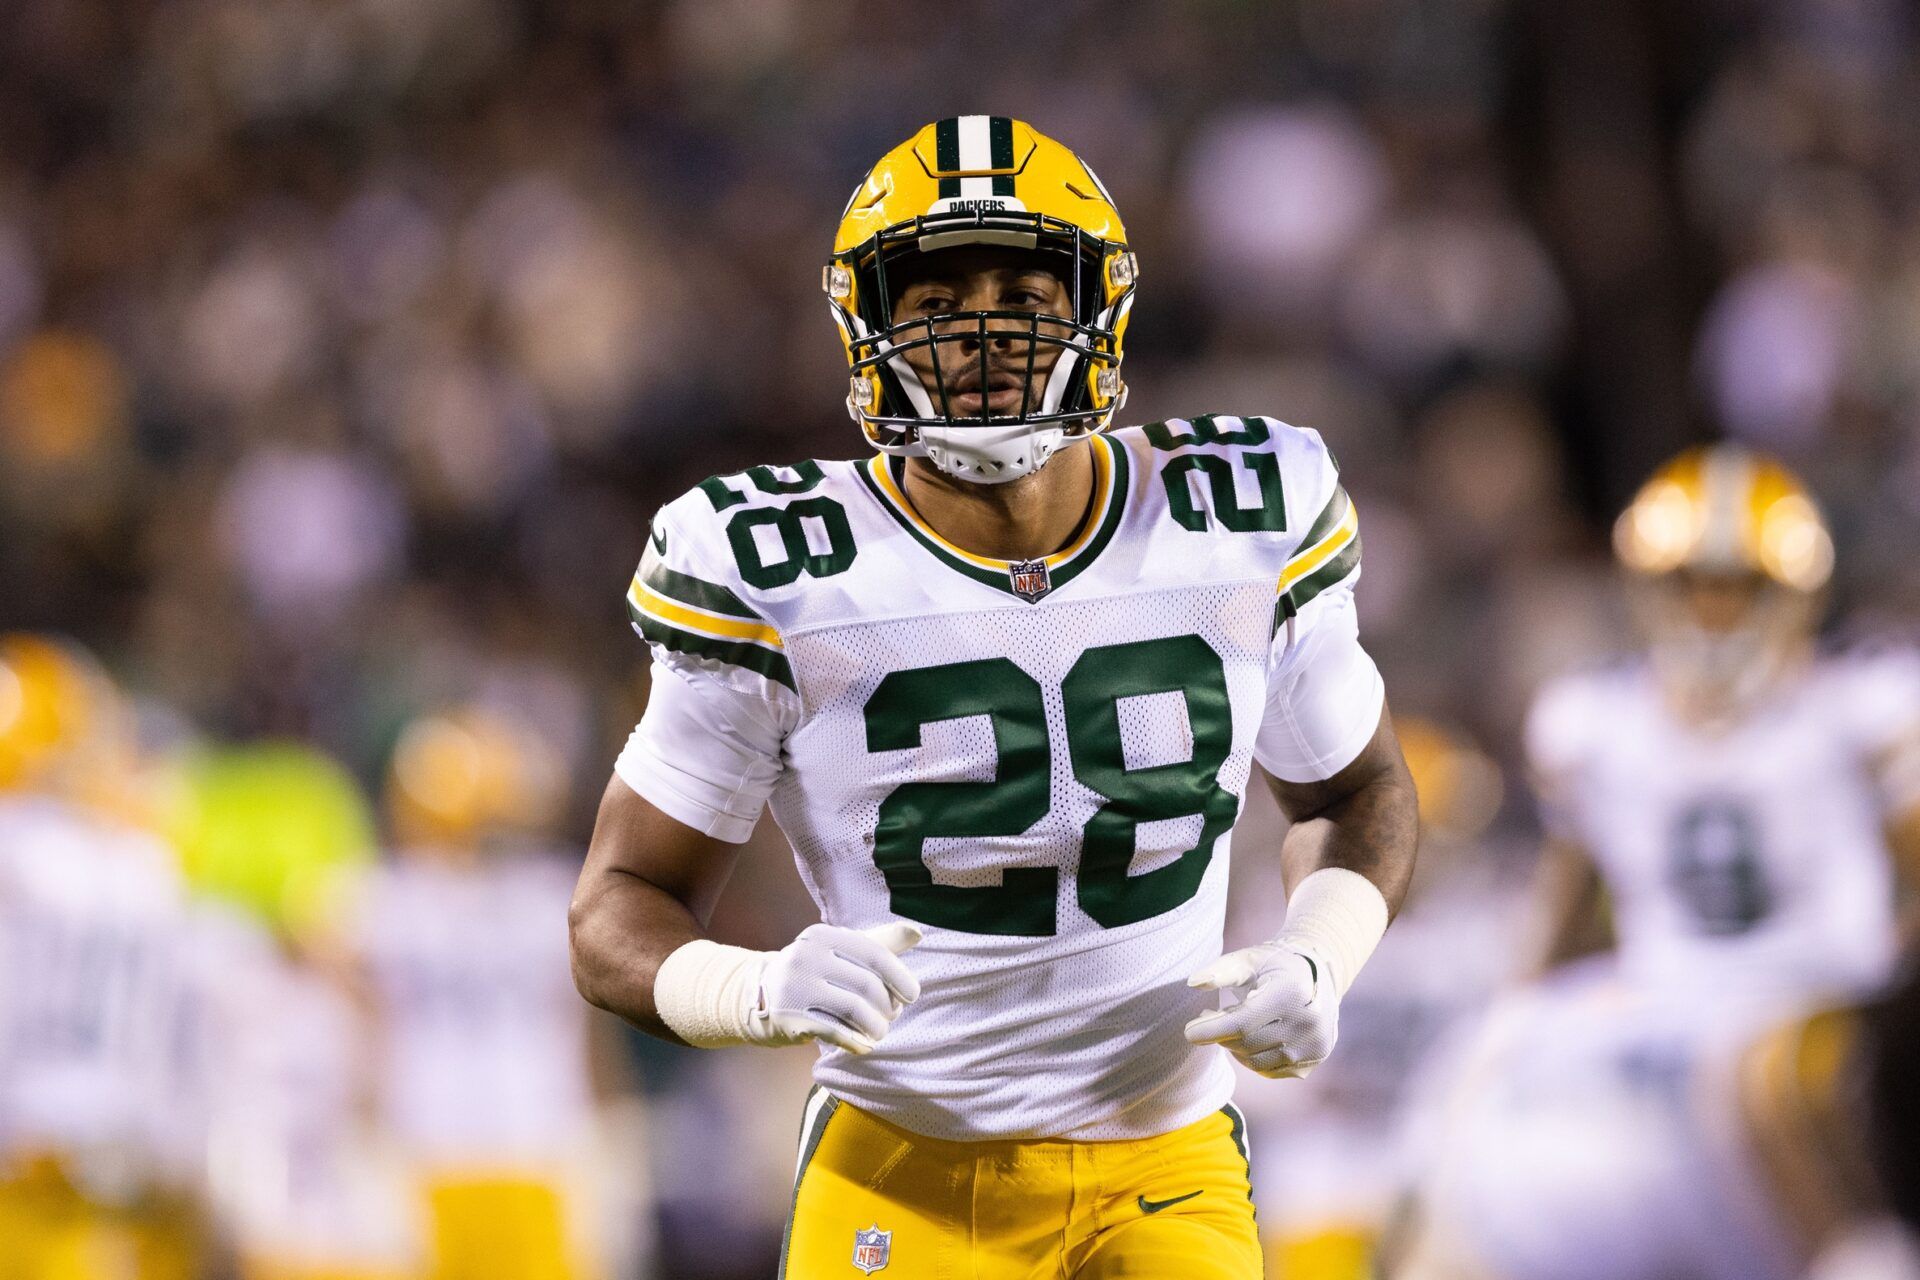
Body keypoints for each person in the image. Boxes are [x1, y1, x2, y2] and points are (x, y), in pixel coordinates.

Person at [568, 117, 1418, 1279]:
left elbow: (1359, 790)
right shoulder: (773, 561)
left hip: (1167, 1157)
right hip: (903, 1165)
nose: (982, 329)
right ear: (868, 327)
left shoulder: (1242, 509)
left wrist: (1318, 953)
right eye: (932, 301)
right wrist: (755, 987)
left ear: (1098, 308)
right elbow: (619, 901)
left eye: (1023, 286)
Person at [1526, 445, 1920, 1004]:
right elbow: (1566, 922)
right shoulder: (1592, 724)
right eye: (1691, 584)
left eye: (1738, 587)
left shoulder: (1859, 707)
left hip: (1821, 1015)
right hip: (1663, 1018)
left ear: (1794, 596)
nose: (1711, 612)